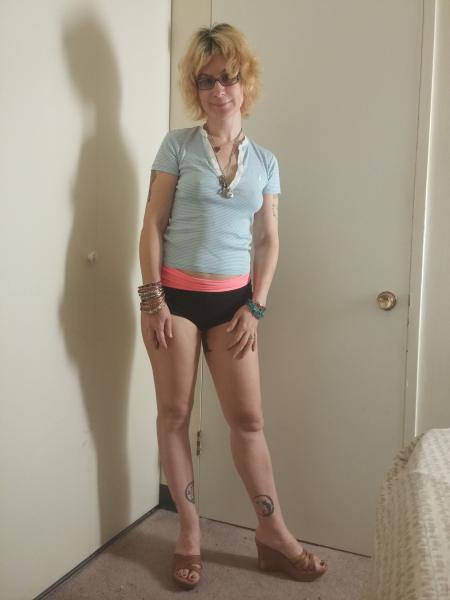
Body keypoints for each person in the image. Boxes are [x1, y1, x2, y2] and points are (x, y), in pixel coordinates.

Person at [138, 22, 328, 590]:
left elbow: (268, 240)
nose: (218, 90)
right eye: (206, 80)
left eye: (228, 77)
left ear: (246, 82)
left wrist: (258, 305)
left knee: (248, 421)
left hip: (233, 307)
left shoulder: (266, 162)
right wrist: (152, 300)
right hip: (173, 303)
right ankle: (189, 531)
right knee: (174, 416)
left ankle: (273, 534)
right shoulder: (177, 145)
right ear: (194, 87)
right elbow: (152, 224)